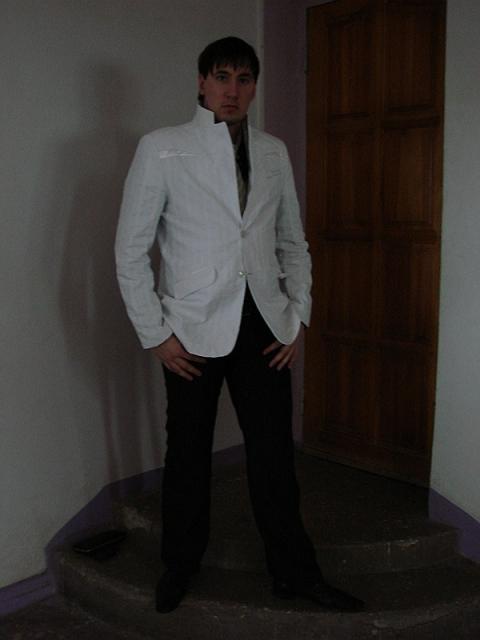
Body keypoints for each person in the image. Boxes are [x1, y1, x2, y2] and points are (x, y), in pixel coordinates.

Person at [115, 36, 364, 614]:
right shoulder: (162, 147)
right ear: (201, 82)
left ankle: (294, 573)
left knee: (274, 458)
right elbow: (130, 251)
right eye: (222, 76)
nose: (232, 89)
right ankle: (180, 565)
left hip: (265, 327)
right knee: (188, 456)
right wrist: (156, 334)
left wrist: (297, 316)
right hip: (191, 330)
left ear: (254, 86)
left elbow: (292, 241)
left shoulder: (273, 151)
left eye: (244, 78)